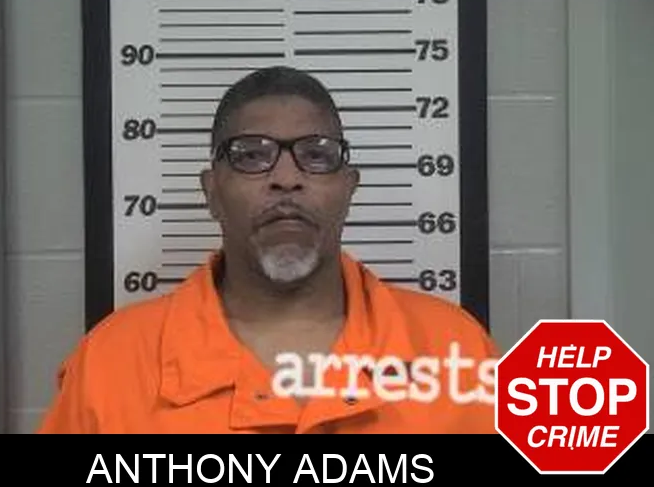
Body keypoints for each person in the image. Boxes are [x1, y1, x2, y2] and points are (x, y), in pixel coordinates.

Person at [37, 65, 500, 434]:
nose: (286, 178)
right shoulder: (109, 364)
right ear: (211, 191)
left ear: (348, 188)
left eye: (316, 154)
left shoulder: (457, 349)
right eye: (251, 155)